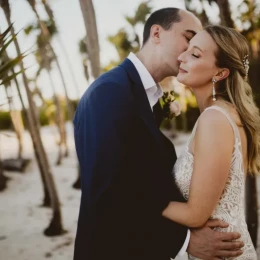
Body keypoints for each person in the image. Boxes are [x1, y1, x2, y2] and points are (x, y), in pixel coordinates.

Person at [73, 8, 244, 260]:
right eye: (188, 38)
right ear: (156, 33)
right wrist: (184, 240)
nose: (189, 52)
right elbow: (107, 196)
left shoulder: (143, 96)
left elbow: (141, 181)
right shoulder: (111, 91)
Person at [162, 25, 260, 259]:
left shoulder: (214, 119)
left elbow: (196, 214)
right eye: (187, 50)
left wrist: (139, 198)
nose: (181, 57)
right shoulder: (223, 115)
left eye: (195, 54)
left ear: (220, 73)